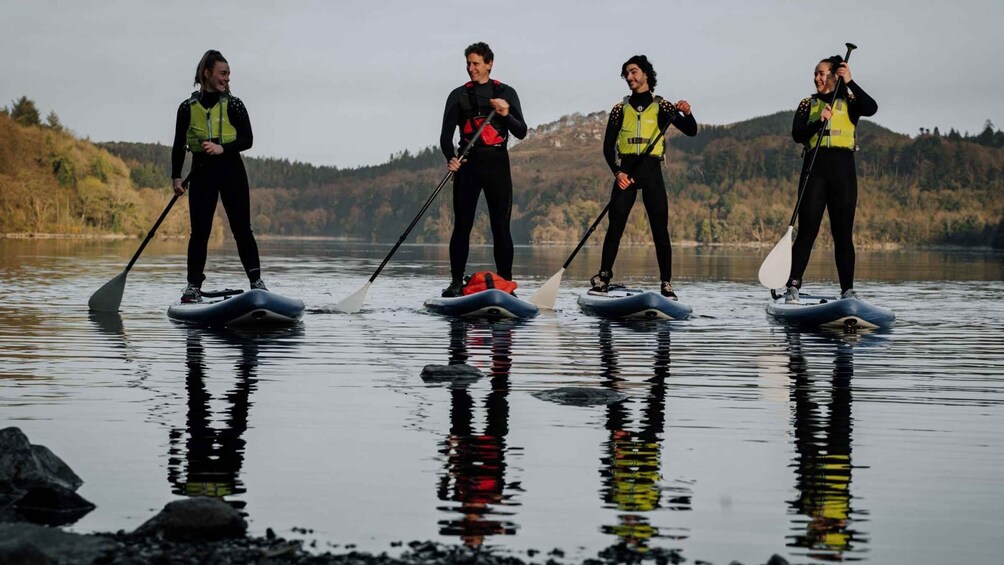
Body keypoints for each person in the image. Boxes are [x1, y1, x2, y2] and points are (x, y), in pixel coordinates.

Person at [590, 55, 697, 300]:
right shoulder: (619, 109)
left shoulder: (663, 106)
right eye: (626, 74)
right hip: (626, 172)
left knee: (660, 230)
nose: (630, 77)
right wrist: (617, 173)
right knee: (615, 227)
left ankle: (666, 284)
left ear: (646, 74)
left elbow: (691, 131)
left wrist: (688, 113)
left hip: (651, 171)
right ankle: (604, 278)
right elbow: (607, 148)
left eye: (634, 72)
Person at [172, 49, 265, 303]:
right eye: (222, 73)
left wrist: (223, 148)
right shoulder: (186, 108)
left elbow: (248, 139)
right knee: (199, 232)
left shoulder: (234, 104)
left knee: (242, 229)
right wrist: (176, 178)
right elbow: (179, 144)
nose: (227, 79)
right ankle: (193, 287)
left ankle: (257, 282)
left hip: (231, 170)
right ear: (207, 73)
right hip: (201, 172)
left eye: (228, 74)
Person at [784, 55, 877, 303]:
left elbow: (871, 108)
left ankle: (847, 290)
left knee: (843, 234)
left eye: (822, 73)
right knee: (807, 232)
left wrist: (851, 81)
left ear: (835, 76)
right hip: (814, 173)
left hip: (843, 174)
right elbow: (797, 134)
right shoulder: (808, 104)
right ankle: (792, 286)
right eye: (815, 73)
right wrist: (818, 121)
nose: (817, 78)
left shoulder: (850, 100)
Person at [439, 42, 527, 297]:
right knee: (462, 225)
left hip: (498, 165)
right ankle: (457, 282)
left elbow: (521, 131)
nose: (471, 68)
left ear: (489, 64)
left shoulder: (506, 92)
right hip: (467, 166)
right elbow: (445, 137)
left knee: (501, 227)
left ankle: (507, 286)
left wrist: (507, 113)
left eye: (476, 63)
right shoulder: (458, 95)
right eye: (468, 63)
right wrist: (450, 158)